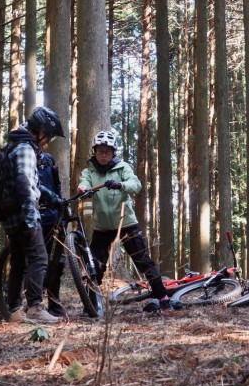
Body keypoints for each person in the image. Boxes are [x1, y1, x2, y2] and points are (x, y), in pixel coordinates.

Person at [77, 130, 181, 312]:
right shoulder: (89, 171)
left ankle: (163, 298)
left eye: (107, 152)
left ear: (113, 153)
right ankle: (90, 302)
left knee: (143, 261)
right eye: (100, 152)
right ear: (95, 152)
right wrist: (84, 188)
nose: (103, 155)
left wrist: (120, 185)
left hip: (126, 223)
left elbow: (135, 185)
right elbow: (84, 183)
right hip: (102, 227)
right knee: (95, 265)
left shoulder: (123, 167)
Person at [3, 106, 66, 323]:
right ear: (41, 130)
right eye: (48, 136)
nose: (47, 142)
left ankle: (14, 310)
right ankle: (35, 307)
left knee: (19, 263)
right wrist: (31, 219)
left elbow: (33, 184)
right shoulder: (25, 149)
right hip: (25, 216)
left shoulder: (16, 145)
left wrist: (52, 197)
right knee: (39, 258)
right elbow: (24, 184)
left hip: (13, 216)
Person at [37, 149, 67, 318]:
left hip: (53, 216)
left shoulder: (49, 158)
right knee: (35, 261)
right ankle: (31, 304)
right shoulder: (22, 155)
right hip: (33, 217)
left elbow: (57, 185)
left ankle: (54, 303)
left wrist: (60, 204)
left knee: (57, 261)